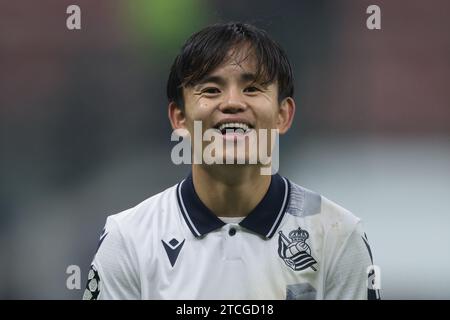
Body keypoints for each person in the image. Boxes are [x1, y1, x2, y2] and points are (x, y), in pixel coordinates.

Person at [83, 22, 380, 300]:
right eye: (211, 90)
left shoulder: (337, 235)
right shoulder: (129, 239)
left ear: (283, 115)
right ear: (179, 118)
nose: (233, 103)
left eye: (252, 89)